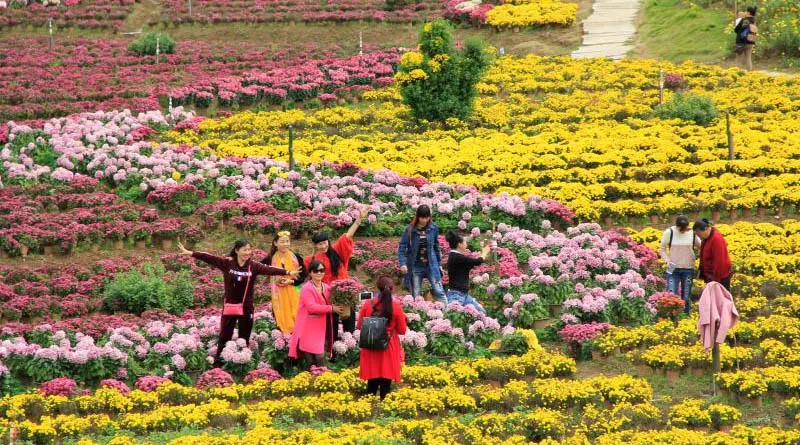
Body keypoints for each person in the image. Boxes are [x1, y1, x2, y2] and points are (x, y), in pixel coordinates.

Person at [177, 239, 298, 367]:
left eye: (249, 250)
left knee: (244, 337)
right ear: (236, 250)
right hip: (230, 307)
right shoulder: (227, 263)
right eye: (244, 250)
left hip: (247, 307)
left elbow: (269, 269)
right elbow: (209, 257)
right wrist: (191, 253)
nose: (247, 252)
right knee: (225, 336)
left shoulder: (253, 266)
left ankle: (242, 365)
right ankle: (218, 365)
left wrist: (288, 272)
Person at [305, 206, 368, 335]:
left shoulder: (337, 251)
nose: (323, 246)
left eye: (325, 243)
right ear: (315, 245)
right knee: (331, 328)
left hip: (345, 294)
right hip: (328, 297)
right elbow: (301, 275)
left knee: (349, 326)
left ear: (328, 242)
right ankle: (333, 347)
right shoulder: (311, 260)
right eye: (319, 244)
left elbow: (347, 236)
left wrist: (359, 220)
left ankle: (350, 344)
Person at [288, 260, 347, 367]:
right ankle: (313, 375)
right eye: (316, 271)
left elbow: (334, 301)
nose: (319, 273)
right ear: (310, 273)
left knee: (319, 357)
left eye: (321, 270)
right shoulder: (307, 288)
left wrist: (346, 298)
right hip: (308, 327)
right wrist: (331, 308)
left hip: (321, 327)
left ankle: (320, 376)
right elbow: (311, 307)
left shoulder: (327, 287)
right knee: (312, 359)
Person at [357, 275, 407, 400]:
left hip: (371, 345)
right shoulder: (396, 306)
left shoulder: (368, 304)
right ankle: (385, 406)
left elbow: (360, 325)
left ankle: (368, 405)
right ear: (392, 288)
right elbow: (402, 330)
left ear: (377, 288)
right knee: (386, 381)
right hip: (388, 346)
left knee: (372, 380)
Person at [398, 205, 446, 306]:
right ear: (418, 216)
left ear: (429, 217)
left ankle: (447, 310)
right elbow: (402, 247)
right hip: (415, 265)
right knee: (416, 294)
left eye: (426, 217)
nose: (424, 220)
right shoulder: (410, 229)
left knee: (438, 291)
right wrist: (402, 263)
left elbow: (436, 246)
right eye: (422, 217)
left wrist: (439, 264)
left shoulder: (433, 228)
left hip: (431, 265)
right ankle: (418, 312)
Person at [262, 230, 306, 334]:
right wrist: (275, 279)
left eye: (287, 241)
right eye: (282, 241)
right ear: (275, 243)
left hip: (295, 292)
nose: (285, 244)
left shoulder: (296, 257)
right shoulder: (270, 259)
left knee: (298, 317)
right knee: (280, 320)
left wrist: (291, 281)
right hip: (278, 295)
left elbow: (303, 276)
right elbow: (256, 268)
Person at [659, 215, 701, 314]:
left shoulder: (692, 233)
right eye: (680, 227)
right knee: (671, 294)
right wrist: (667, 261)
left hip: (688, 267)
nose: (682, 229)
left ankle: (685, 316)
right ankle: (671, 316)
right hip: (672, 268)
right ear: (676, 225)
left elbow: (701, 246)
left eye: (684, 227)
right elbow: (662, 249)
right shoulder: (670, 232)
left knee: (686, 295)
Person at [445, 230, 491, 314]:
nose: (466, 244)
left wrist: (482, 253)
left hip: (464, 294)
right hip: (456, 296)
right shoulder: (457, 257)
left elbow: (471, 263)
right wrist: (484, 253)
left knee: (482, 313)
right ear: (459, 244)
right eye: (465, 242)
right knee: (453, 317)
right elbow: (477, 262)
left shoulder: (456, 256)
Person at [693, 218, 732, 292]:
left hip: (719, 276)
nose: (699, 237)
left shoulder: (716, 239)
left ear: (706, 229)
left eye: (699, 234)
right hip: (710, 275)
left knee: (721, 296)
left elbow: (719, 261)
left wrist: (715, 281)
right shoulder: (707, 237)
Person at [733, 6, 757, 71]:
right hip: (751, 41)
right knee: (748, 58)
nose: (745, 12)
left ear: (748, 12)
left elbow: (736, 29)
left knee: (738, 58)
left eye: (746, 11)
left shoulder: (744, 20)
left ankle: (737, 73)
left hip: (741, 41)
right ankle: (749, 73)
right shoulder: (754, 21)